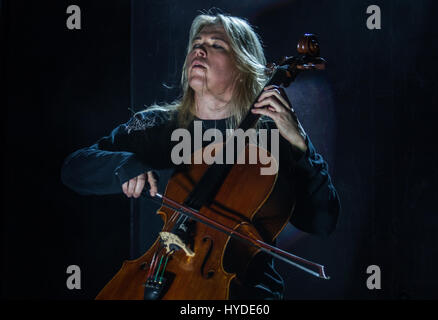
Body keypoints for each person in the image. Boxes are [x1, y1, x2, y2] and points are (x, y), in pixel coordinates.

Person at [61, 12, 340, 300]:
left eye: (216, 45)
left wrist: (301, 146)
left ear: (243, 65)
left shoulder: (272, 135)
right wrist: (124, 166)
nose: (200, 50)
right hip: (155, 275)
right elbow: (73, 168)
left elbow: (321, 222)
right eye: (196, 43)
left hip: (239, 292)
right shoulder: (157, 125)